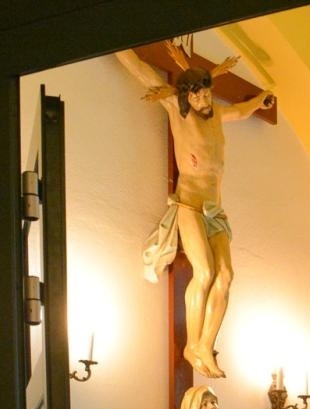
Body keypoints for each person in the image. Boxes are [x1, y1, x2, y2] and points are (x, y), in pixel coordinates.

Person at [116, 47, 274, 378]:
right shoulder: (177, 108)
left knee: (226, 275)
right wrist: (119, 42)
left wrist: (264, 97)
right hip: (189, 206)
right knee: (203, 273)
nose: (205, 101)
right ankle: (192, 344)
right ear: (188, 94)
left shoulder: (215, 114)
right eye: (199, 95)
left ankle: (205, 343)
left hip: (216, 210)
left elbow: (243, 111)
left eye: (208, 94)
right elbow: (142, 70)